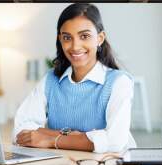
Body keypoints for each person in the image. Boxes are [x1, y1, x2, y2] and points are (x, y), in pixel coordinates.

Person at [13, 3, 136, 153]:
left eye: (84, 36)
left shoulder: (119, 82)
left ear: (100, 38)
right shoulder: (50, 79)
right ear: (60, 40)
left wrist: (51, 139)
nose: (75, 46)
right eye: (67, 38)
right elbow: (20, 130)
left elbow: (114, 141)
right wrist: (75, 137)